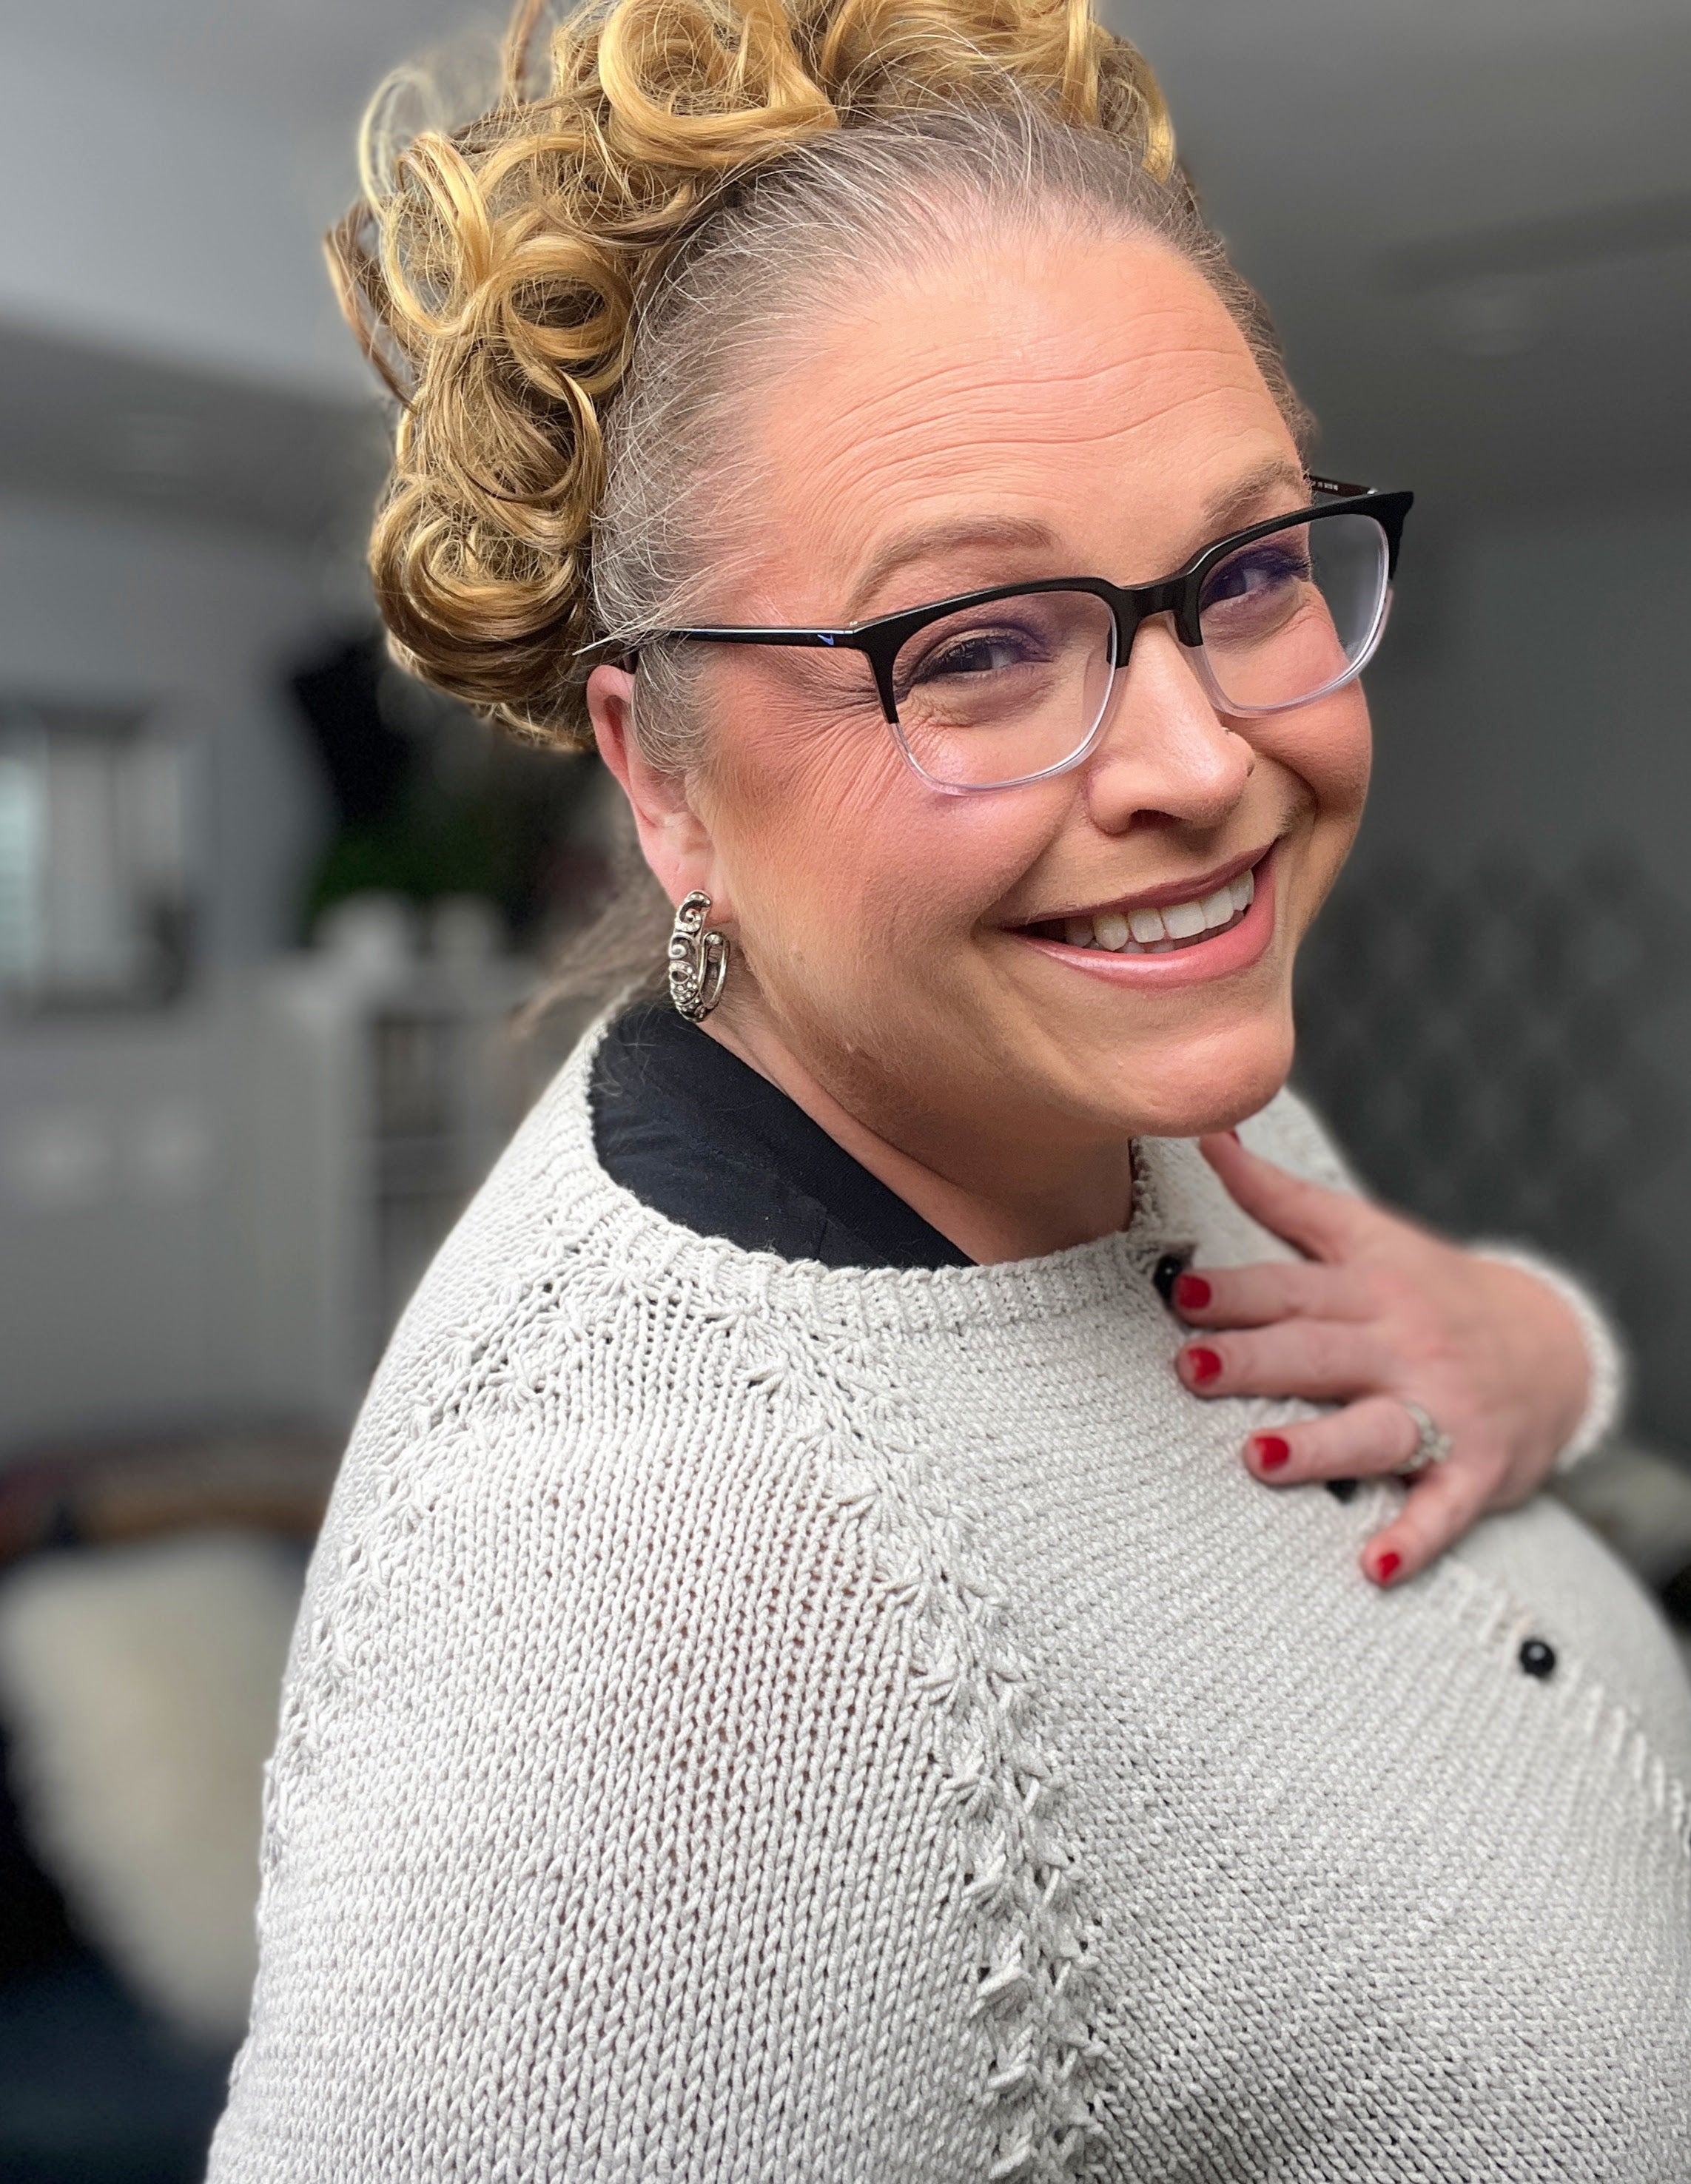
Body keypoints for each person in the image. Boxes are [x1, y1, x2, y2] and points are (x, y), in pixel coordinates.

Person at [211, 0, 1691, 2174]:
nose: (1204, 769)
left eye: (1249, 573)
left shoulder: (1148, 1084)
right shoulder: (651, 1588)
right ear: (663, 777)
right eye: (980, 645)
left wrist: (1536, 1354)